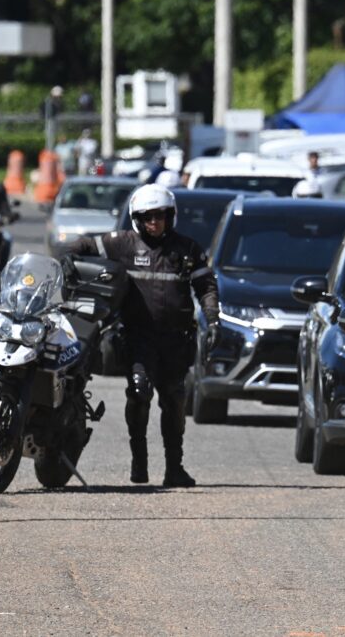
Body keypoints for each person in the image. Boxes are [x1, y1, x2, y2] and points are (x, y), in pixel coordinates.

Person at [61, 185, 220, 487]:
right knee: (139, 393)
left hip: (176, 340)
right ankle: (139, 461)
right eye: (148, 217)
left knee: (174, 401)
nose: (154, 223)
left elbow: (207, 287)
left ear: (171, 216)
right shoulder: (122, 243)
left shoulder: (188, 249)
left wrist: (213, 320)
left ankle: (174, 467)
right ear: (137, 219)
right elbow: (83, 244)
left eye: (160, 216)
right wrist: (68, 256)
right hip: (138, 337)